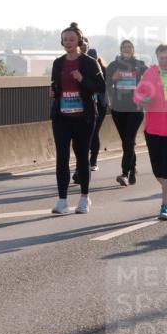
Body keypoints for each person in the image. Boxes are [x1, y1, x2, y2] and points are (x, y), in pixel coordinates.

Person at [50, 23, 105, 214]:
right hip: (62, 117)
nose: (68, 43)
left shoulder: (89, 62)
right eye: (65, 39)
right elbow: (56, 85)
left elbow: (101, 87)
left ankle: (84, 198)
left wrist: (82, 79)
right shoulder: (58, 62)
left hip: (84, 118)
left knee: (82, 157)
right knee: (62, 158)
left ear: (79, 41)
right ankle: (62, 200)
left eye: (72, 39)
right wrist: (54, 91)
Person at [133, 43, 167, 221]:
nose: (164, 61)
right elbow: (137, 93)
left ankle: (165, 206)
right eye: (161, 57)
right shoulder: (150, 73)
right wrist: (143, 99)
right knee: (157, 171)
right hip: (153, 129)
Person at [106, 40, 148, 186]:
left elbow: (152, 78)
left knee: (129, 140)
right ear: (120, 49)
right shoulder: (113, 65)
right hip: (118, 109)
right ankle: (133, 168)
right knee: (127, 142)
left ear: (133, 49)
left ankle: (124, 173)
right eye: (124, 47)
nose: (127, 49)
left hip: (135, 109)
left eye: (129, 47)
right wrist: (113, 78)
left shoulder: (140, 65)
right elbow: (104, 84)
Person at [86, 47, 110, 171]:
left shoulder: (103, 70)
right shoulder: (84, 68)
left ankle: (93, 161)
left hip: (100, 104)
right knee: (88, 133)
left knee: (94, 132)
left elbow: (104, 87)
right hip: (89, 104)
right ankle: (87, 161)